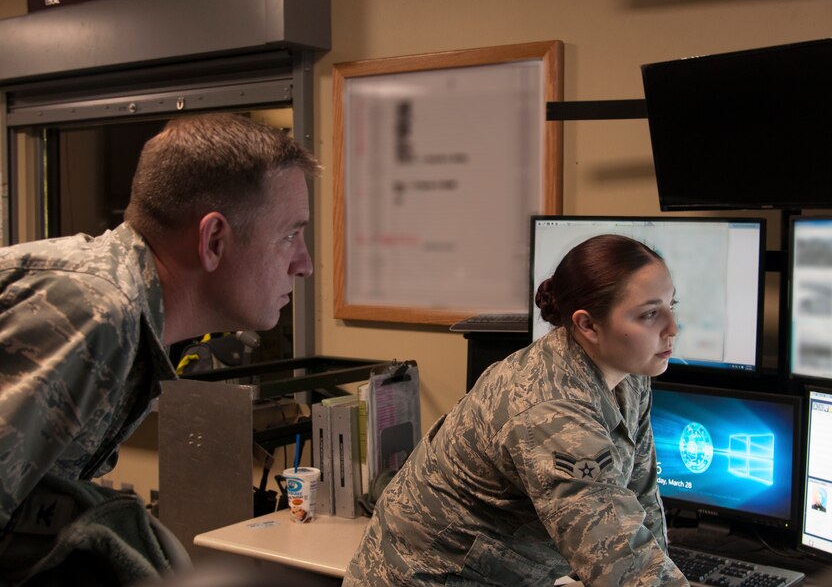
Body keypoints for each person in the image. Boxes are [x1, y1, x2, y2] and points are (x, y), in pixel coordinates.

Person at [0, 112, 320, 584]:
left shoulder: (137, 321)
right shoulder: (100, 310)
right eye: (290, 235)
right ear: (213, 240)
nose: (305, 264)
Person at [343, 234, 688, 586]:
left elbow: (640, 500)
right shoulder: (551, 410)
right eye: (649, 314)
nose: (672, 328)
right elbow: (619, 560)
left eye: (670, 305)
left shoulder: (627, 373)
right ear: (587, 325)